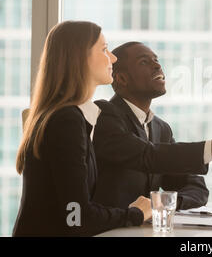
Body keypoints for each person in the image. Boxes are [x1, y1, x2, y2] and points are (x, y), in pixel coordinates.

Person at [92, 42, 212, 210]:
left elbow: (196, 187)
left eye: (156, 60)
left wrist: (163, 204)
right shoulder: (104, 115)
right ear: (122, 79)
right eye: (144, 62)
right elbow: (150, 155)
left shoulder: (160, 128)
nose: (157, 66)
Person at [13, 21, 152, 237]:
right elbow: (76, 217)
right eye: (104, 49)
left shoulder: (67, 115)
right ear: (79, 58)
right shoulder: (66, 120)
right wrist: (134, 214)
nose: (113, 58)